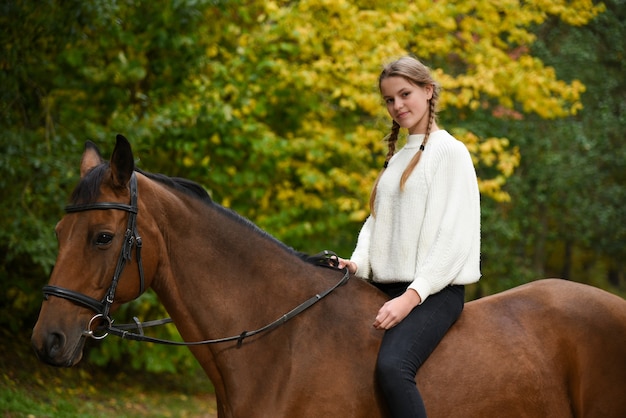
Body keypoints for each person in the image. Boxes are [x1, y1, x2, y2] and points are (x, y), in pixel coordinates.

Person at [337, 56, 481, 417]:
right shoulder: (397, 158)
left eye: (405, 94)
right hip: (384, 288)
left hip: (434, 293)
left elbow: (455, 235)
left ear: (428, 91)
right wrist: (356, 264)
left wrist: (411, 297)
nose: (398, 105)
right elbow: (375, 225)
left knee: (393, 368)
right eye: (389, 99)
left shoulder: (450, 151)